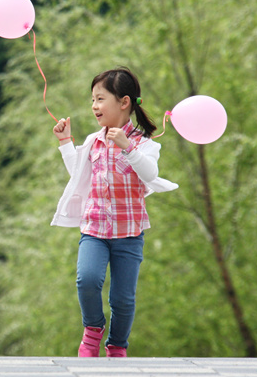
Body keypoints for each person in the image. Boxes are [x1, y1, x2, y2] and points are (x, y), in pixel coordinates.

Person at [51, 68, 177, 358]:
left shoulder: (146, 144)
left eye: (100, 99)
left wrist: (128, 147)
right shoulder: (94, 141)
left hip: (128, 235)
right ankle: (93, 329)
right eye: (92, 100)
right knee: (87, 280)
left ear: (124, 102)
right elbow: (77, 174)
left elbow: (151, 172)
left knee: (123, 299)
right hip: (94, 230)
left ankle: (117, 345)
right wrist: (65, 142)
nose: (94, 106)